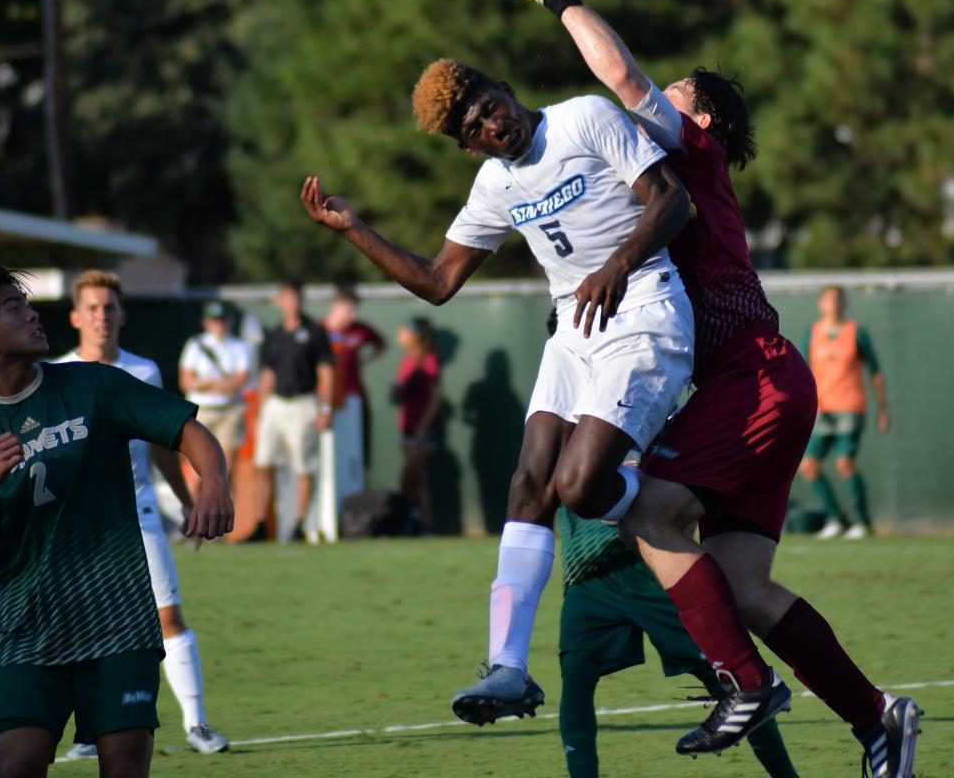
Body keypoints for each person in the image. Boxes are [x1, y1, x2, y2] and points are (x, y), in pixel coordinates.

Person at [520, 0, 921, 775]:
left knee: (645, 514)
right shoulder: (676, 169)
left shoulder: (692, 151)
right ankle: (880, 719)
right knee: (744, 590)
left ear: (696, 114)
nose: (653, 100)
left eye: (672, 94)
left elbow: (617, 71)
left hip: (756, 381)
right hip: (766, 383)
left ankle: (743, 684)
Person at [302, 55, 714, 734]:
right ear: (467, 145)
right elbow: (438, 282)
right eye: (476, 126)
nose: (494, 124)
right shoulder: (493, 185)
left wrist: (616, 264)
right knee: (529, 483)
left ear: (508, 90)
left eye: (492, 105)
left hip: (644, 309)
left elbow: (673, 200)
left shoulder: (584, 116)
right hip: (577, 328)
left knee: (580, 486)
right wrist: (354, 230)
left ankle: (680, 506)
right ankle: (508, 669)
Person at [0, 263, 233, 778]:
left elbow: (188, 430)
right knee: (19, 765)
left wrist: (213, 483)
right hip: (28, 631)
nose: (32, 314)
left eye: (27, 303)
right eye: (12, 307)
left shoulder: (95, 385)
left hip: (120, 622)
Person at [547, 300, 797, 778]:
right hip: (586, 578)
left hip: (652, 565)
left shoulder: (647, 379)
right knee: (575, 680)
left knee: (733, 681)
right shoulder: (554, 405)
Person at [54, 270, 230, 757]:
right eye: (91, 308)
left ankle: (196, 724)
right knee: (85, 624)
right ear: (75, 316)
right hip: (79, 525)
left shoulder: (144, 370)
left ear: (122, 315)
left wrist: (189, 502)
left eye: (109, 307)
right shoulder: (56, 374)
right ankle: (92, 732)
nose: (101, 316)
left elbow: (163, 443)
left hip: (139, 512)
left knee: (167, 616)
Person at [800, 285, 891, 540]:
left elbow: (876, 372)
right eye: (828, 300)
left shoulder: (856, 333)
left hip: (850, 407)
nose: (833, 305)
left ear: (844, 304)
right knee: (809, 466)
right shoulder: (813, 334)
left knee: (844, 462)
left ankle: (862, 522)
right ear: (821, 304)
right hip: (822, 409)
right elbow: (803, 372)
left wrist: (882, 409)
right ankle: (836, 519)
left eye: (837, 300)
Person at [255, 279, 334, 541]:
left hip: (304, 402)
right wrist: (260, 409)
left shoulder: (314, 331)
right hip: (276, 404)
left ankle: (300, 524)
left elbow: (325, 371)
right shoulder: (275, 334)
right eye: (286, 298)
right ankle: (262, 524)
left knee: (303, 466)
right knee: (264, 462)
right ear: (279, 302)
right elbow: (267, 373)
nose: (292, 303)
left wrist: (325, 408)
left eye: (295, 298)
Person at [178, 301, 252, 476]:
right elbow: (186, 382)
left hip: (229, 411)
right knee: (196, 471)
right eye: (214, 320)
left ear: (229, 322)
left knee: (224, 471)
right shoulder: (195, 345)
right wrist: (221, 385)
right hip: (201, 411)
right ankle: (192, 504)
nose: (218, 325)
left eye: (222, 320)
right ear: (206, 322)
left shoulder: (239, 347)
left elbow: (239, 382)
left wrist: (205, 383)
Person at [323, 284, 385, 471]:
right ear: (336, 306)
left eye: (355, 310)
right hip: (329, 400)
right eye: (349, 309)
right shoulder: (319, 331)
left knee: (357, 452)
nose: (353, 316)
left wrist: (364, 361)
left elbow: (380, 344)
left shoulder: (360, 329)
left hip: (355, 396)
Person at [393, 316, 443, 534]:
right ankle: (420, 523)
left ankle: (421, 522)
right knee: (418, 480)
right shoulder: (406, 363)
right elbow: (400, 396)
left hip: (424, 431)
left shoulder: (430, 362)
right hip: (407, 429)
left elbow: (435, 399)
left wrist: (423, 428)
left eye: (404, 331)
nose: (400, 336)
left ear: (415, 336)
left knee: (410, 477)